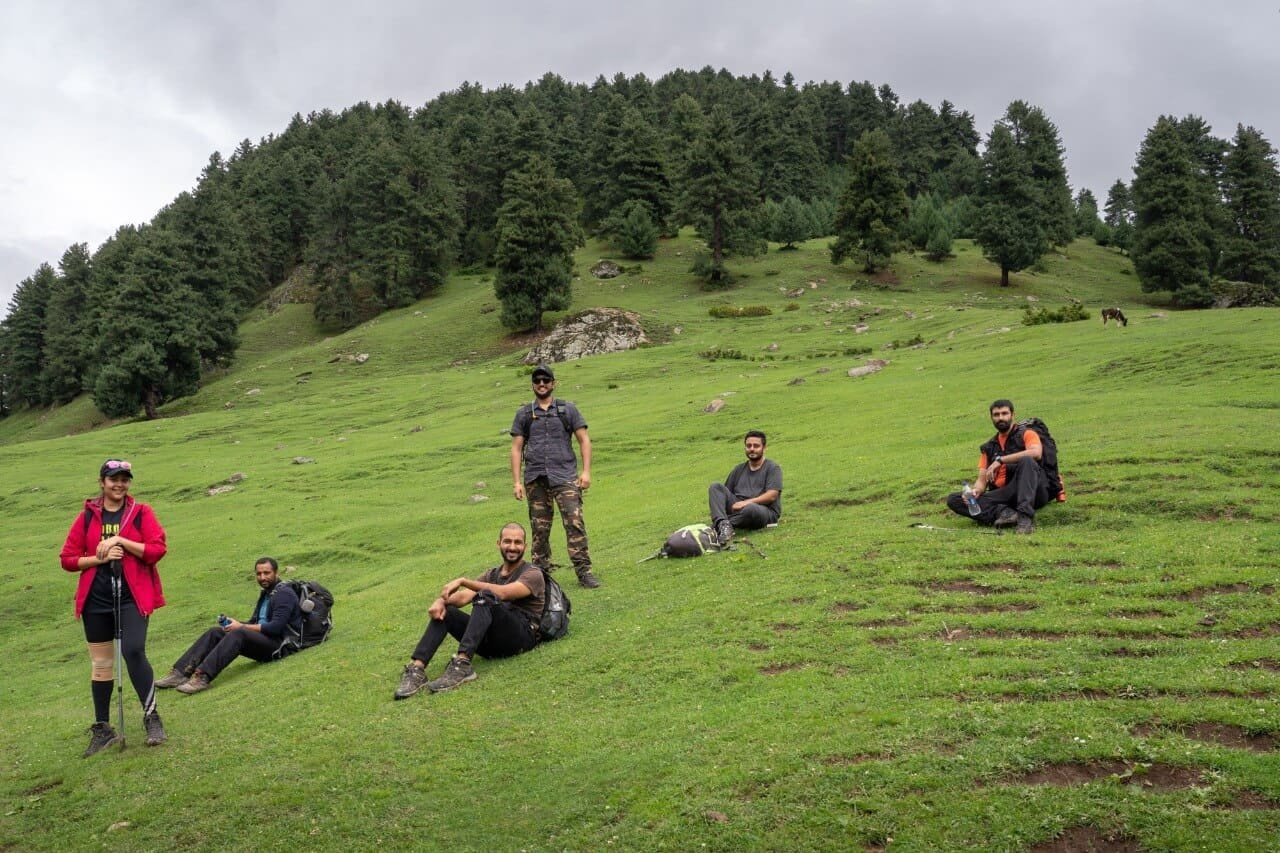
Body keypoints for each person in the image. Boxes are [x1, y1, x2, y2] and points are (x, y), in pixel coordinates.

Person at [59, 459, 169, 756]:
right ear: (102, 482)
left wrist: (122, 540)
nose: (119, 485)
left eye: (124, 479)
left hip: (132, 597)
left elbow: (157, 549)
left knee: (133, 650)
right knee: (102, 665)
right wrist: (100, 558)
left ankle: (152, 717)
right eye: (113, 479)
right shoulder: (86, 517)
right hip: (96, 600)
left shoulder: (140, 513)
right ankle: (103, 728)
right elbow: (68, 559)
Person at [393, 522, 545, 699]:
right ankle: (417, 669)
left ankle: (462, 664)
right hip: (491, 643)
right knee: (448, 611)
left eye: (518, 542)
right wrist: (440, 601)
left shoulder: (533, 573)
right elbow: (463, 597)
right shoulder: (492, 575)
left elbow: (503, 593)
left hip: (521, 638)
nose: (512, 547)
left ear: (525, 547)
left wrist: (463, 581)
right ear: (499, 544)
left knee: (486, 597)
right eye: (507, 541)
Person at [510, 364, 600, 588]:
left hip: (564, 476)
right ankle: (540, 576)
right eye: (538, 381)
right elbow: (516, 448)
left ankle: (584, 572)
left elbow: (584, 440)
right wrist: (517, 482)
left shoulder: (567, 410)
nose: (542, 384)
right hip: (535, 478)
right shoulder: (524, 414)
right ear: (533, 385)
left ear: (553, 383)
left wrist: (586, 471)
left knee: (574, 523)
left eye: (546, 381)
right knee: (539, 529)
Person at [154, 557, 301, 694]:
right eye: (259, 574)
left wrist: (241, 628)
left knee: (239, 633)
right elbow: (255, 623)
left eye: (267, 573)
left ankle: (202, 677)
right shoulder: (267, 594)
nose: (262, 577)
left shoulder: (283, 594)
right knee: (215, 632)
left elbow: (276, 628)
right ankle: (179, 673)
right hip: (265, 640)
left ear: (276, 573)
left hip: (280, 646)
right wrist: (235, 623)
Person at [945, 399, 1050, 534]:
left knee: (1027, 460)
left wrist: (1000, 460)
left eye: (1004, 413)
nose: (1001, 418)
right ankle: (1005, 513)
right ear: (991, 418)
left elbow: (1036, 453)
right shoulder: (989, 447)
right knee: (955, 499)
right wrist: (975, 491)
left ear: (1012, 415)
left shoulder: (1027, 434)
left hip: (1033, 491)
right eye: (996, 414)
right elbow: (982, 481)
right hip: (1006, 494)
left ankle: (1025, 519)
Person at [709, 430, 783, 543]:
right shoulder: (738, 469)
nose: (752, 449)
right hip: (738, 509)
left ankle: (721, 526)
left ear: (764, 448)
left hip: (763, 511)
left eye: (756, 446)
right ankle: (723, 524)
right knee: (715, 487)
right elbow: (725, 495)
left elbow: (772, 496)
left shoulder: (773, 468)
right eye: (748, 446)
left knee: (750, 509)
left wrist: (746, 502)